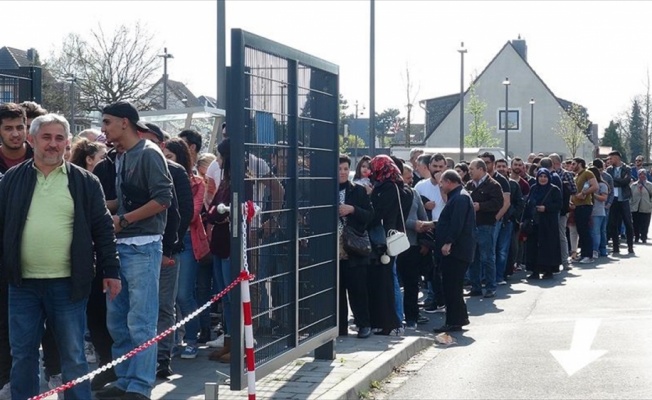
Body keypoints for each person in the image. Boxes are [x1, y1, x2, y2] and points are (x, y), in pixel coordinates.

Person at [0, 113, 121, 400]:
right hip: (22, 285)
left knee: (74, 356)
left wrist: (111, 270)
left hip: (68, 285)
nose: (53, 144)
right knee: (23, 355)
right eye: (46, 137)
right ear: (32, 140)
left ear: (67, 142)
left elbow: (103, 229)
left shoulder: (85, 182)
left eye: (59, 138)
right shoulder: (11, 180)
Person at [97, 101, 173, 400]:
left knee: (140, 321)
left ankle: (140, 386)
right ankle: (126, 379)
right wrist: (98, 209)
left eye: (107, 122)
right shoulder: (123, 155)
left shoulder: (149, 154)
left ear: (124, 122)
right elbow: (125, 202)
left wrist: (123, 220)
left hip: (143, 247)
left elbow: (164, 198)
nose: (104, 129)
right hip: (122, 247)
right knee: (118, 321)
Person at [368, 155, 412, 335]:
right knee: (390, 278)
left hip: (382, 239)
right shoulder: (403, 188)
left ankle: (390, 322)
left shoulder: (385, 189)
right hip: (395, 238)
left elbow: (376, 214)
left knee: (384, 281)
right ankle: (392, 321)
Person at [433, 170, 475, 332]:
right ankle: (460, 318)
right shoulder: (458, 197)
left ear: (450, 181)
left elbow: (457, 224)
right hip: (457, 250)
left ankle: (453, 321)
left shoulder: (460, 198)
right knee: (453, 286)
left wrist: (448, 243)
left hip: (456, 251)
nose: (441, 186)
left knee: (452, 287)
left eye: (442, 183)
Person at [337, 154, 374, 338]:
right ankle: (339, 327)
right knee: (337, 290)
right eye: (339, 169)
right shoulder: (325, 190)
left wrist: (352, 210)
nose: (342, 172)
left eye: (345, 169)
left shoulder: (358, 191)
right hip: (334, 249)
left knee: (358, 289)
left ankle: (363, 324)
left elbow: (370, 216)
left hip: (354, 248)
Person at [397, 164, 432, 329]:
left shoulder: (414, 193)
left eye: (412, 177)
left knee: (411, 284)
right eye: (407, 177)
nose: (410, 180)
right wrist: (412, 224)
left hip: (412, 245)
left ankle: (412, 316)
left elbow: (423, 217)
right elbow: (390, 220)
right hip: (394, 245)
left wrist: (424, 238)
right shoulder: (392, 195)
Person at [465, 159, 503, 298]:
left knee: (487, 257)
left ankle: (490, 287)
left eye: (472, 169)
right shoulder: (469, 185)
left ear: (481, 169)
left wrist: (481, 206)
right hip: (472, 225)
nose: (470, 171)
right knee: (473, 257)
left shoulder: (493, 185)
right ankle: (475, 287)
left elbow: (498, 203)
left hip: (486, 225)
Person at [524, 169, 562, 279]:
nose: (543, 179)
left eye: (545, 176)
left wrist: (546, 208)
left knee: (548, 246)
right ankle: (534, 270)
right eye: (541, 176)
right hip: (534, 223)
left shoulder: (554, 190)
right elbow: (528, 203)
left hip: (548, 223)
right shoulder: (534, 188)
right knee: (533, 247)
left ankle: (548, 270)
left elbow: (559, 205)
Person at [606, 151, 635, 254]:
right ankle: (615, 247)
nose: (609, 161)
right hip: (613, 199)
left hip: (624, 199)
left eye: (611, 158)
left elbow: (626, 181)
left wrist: (615, 181)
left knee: (628, 223)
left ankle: (630, 246)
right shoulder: (609, 170)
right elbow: (609, 182)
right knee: (613, 224)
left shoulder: (627, 168)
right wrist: (618, 181)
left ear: (616, 158)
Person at [571, 157, 598, 264]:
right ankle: (583, 254)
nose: (571, 166)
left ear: (580, 164)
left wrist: (584, 193)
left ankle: (588, 255)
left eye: (574, 164)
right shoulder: (576, 176)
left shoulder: (588, 173)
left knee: (585, 230)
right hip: (577, 206)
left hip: (585, 205)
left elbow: (595, 186)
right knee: (581, 231)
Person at [589, 166, 609, 260]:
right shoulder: (587, 184)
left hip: (598, 211)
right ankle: (596, 249)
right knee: (594, 232)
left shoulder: (602, 185)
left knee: (597, 232)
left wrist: (593, 194)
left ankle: (596, 250)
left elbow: (604, 198)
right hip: (590, 211)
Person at [630, 169, 652, 244]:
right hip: (635, 207)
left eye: (643, 174)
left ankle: (644, 237)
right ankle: (636, 237)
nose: (642, 176)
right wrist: (631, 204)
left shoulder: (650, 185)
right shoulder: (633, 185)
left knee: (645, 223)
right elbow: (630, 196)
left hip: (646, 207)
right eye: (640, 174)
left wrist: (650, 204)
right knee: (635, 223)